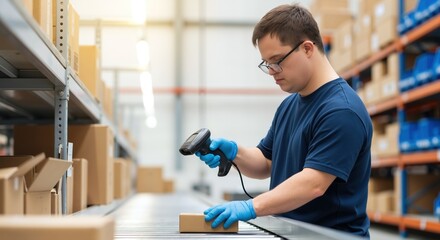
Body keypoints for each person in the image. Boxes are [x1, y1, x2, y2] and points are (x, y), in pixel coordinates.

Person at [195, 3, 372, 238]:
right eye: (266, 63)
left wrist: (252, 207)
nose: (272, 71)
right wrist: (234, 152)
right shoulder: (290, 104)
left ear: (308, 48)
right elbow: (267, 162)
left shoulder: (341, 111)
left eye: (277, 60)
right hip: (294, 233)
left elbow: (314, 183)